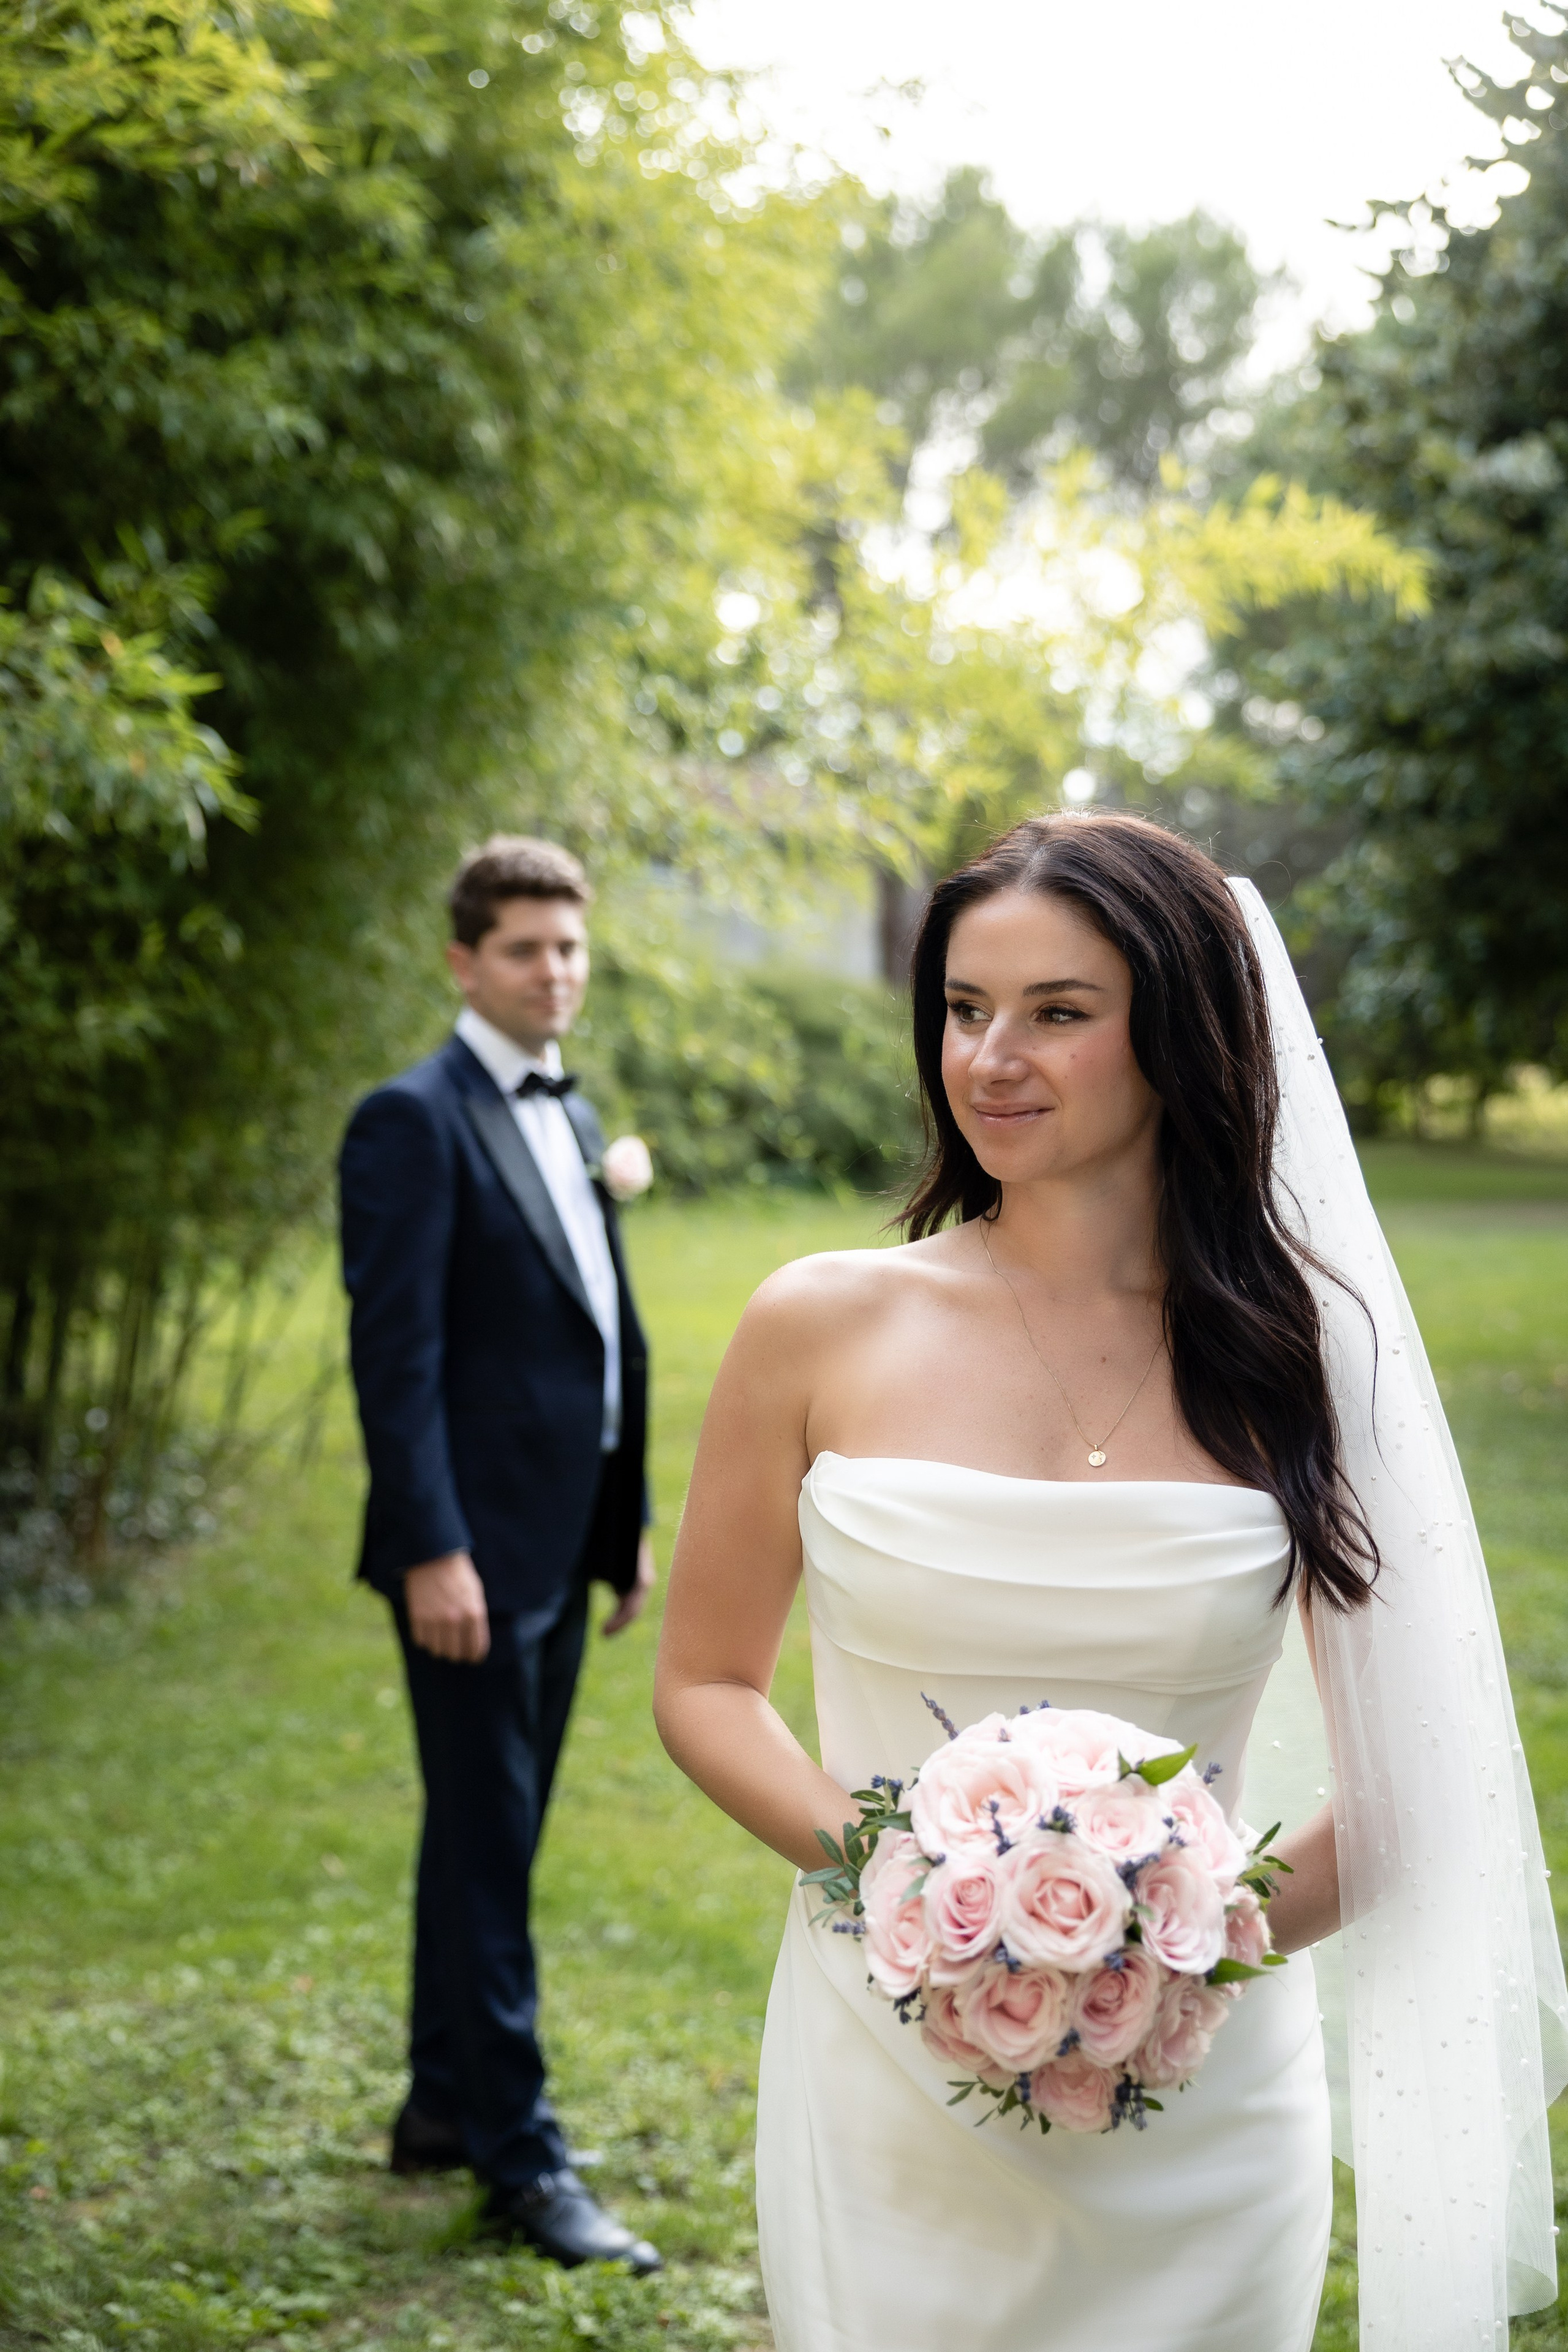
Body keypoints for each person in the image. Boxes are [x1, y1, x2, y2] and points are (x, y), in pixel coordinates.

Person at [654, 811, 1565, 2351]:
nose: (989, 1057)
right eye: (961, 1009)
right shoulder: (816, 1324)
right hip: (885, 2070)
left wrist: (1170, 1952)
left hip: (1201, 2100)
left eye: (1056, 1015)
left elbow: (1418, 1776)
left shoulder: (1301, 1364)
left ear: (1179, 1039)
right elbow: (703, 1685)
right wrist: (913, 1892)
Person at [339, 834, 660, 2274]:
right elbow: (393, 1362)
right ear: (464, 960)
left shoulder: (574, 1118)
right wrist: (430, 1550)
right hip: (467, 1558)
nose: (556, 974)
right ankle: (523, 2163)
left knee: (491, 1835)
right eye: (527, 949)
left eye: (572, 949)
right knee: (488, 1854)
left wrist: (622, 1522)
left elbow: (596, 1332)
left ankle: (435, 2106)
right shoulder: (411, 1121)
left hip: (559, 1537)